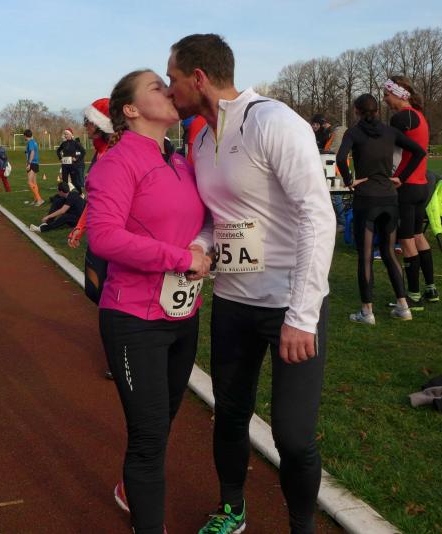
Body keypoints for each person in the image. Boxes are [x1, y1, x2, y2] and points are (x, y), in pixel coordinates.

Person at [166, 34, 335, 534]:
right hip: (233, 302)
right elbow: (215, 218)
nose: (170, 90)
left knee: (293, 436)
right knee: (230, 415)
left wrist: (302, 315)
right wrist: (200, 246)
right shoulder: (200, 140)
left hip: (289, 305)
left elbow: (318, 216)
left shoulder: (273, 121)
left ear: (199, 78)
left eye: (173, 79)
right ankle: (233, 511)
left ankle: (301, 526)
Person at [87, 68, 211, 534]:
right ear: (131, 109)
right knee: (149, 436)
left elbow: (203, 220)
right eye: (157, 87)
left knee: (162, 423)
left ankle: (129, 489)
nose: (169, 90)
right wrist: (179, 258)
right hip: (133, 319)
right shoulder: (117, 163)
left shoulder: (180, 161)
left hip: (183, 314)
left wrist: (199, 246)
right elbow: (103, 237)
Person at [337, 94, 427, 324]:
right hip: (389, 198)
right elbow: (419, 152)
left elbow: (340, 158)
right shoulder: (390, 131)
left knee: (366, 256)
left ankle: (367, 312)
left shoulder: (353, 133)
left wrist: (349, 181)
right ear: (377, 111)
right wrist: (402, 177)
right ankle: (403, 306)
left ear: (356, 111)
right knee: (389, 252)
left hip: (366, 198)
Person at [68, 98, 115, 380]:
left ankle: (119, 353)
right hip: (98, 235)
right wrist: (80, 226)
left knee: (111, 300)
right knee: (94, 292)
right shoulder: (98, 154)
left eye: (89, 122)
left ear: (101, 125)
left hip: (116, 238)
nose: (84, 126)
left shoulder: (118, 153)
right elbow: (94, 197)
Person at [383, 75, 437, 307]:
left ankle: (413, 295)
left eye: (387, 94)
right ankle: (431, 289)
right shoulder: (419, 115)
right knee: (418, 236)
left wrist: (399, 176)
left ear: (398, 94)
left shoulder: (401, 117)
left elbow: (389, 148)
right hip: (422, 185)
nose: (385, 99)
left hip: (407, 186)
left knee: (406, 241)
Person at [56, 128, 86, 192]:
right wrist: (60, 158)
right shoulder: (63, 143)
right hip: (64, 165)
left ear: (70, 134)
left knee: (75, 182)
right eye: (65, 134)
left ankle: (81, 193)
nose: (65, 135)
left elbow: (83, 152)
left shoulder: (75, 143)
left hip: (72, 165)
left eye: (66, 134)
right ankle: (67, 195)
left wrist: (77, 159)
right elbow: (58, 150)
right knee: (65, 182)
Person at [24, 129, 44, 206]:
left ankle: (39, 199)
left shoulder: (30, 142)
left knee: (30, 182)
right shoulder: (34, 141)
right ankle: (36, 199)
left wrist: (29, 163)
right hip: (35, 163)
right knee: (34, 182)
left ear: (25, 136)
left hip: (32, 163)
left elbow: (32, 152)